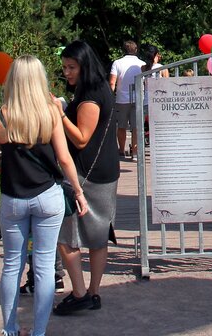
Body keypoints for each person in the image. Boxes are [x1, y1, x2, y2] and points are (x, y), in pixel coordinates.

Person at [0, 54, 88, 336]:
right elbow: (64, 159)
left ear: (12, 80)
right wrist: (78, 192)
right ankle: (39, 331)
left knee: (11, 265)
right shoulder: (51, 112)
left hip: (13, 198)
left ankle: (10, 329)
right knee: (43, 267)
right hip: (47, 197)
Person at [53, 40, 120, 316]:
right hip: (105, 169)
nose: (66, 72)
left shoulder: (90, 95)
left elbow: (81, 138)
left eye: (71, 67)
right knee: (98, 235)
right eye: (64, 67)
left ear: (84, 65)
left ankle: (80, 293)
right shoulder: (100, 86)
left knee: (65, 235)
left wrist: (59, 114)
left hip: (86, 173)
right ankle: (93, 293)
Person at [110, 40, 145, 160]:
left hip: (121, 99)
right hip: (138, 99)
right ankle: (135, 153)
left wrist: (110, 97)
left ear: (123, 50)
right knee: (136, 126)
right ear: (136, 50)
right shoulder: (142, 64)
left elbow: (112, 82)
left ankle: (121, 150)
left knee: (121, 126)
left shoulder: (117, 63)